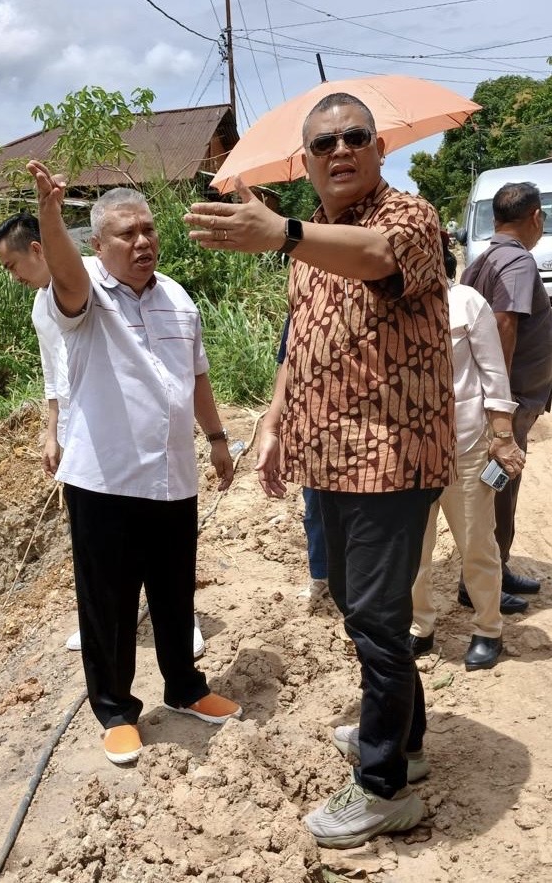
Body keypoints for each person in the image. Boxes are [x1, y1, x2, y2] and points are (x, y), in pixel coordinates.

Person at [184, 92, 456, 848]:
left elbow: (375, 260)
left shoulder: (407, 219)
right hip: (328, 458)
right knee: (354, 603)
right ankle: (406, 743)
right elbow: (300, 340)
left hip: (391, 459)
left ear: (378, 148)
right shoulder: (309, 253)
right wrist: (273, 421)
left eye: (354, 136)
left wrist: (284, 231)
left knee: (374, 616)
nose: (339, 149)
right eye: (324, 142)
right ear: (305, 161)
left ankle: (382, 787)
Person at [26, 160, 241, 766]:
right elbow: (65, 273)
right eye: (127, 233)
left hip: (172, 474)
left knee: (175, 591)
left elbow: (196, 375)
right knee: (109, 602)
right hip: (106, 480)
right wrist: (50, 214)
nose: (142, 241)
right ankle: (116, 710)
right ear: (99, 244)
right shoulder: (84, 292)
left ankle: (185, 687)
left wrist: (218, 438)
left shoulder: (177, 297)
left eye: (148, 229)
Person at [0, 213, 206, 659]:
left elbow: (187, 369)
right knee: (105, 568)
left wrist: (216, 436)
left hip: (143, 441)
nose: (13, 278)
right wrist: (54, 432)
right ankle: (108, 655)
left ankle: (181, 637)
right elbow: (55, 375)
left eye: (13, 266)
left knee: (167, 561)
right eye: (128, 235)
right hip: (89, 441)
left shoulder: (101, 280)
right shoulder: (43, 304)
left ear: (39, 249)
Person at [410, 234, 525, 670]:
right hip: (411, 453)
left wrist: (502, 435)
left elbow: (494, 377)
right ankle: (420, 626)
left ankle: (488, 628)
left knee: (477, 545)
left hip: (466, 446)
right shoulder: (394, 307)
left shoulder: (466, 302)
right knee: (412, 551)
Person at [460, 182, 552, 596]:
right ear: (535, 217)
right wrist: (503, 406)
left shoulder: (483, 260)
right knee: (498, 482)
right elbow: (504, 324)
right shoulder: (517, 262)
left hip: (499, 401)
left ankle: (493, 569)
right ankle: (484, 581)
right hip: (506, 406)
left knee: (494, 484)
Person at [273, 316, 328, 601]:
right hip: (315, 429)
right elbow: (287, 365)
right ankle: (321, 574)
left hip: (366, 431)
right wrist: (277, 425)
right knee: (316, 508)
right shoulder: (305, 307)